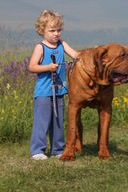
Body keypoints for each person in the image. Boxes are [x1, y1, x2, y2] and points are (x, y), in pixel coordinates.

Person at [28, 10, 78, 160]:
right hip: (43, 92)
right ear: (42, 30)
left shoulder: (62, 44)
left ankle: (57, 149)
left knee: (57, 121)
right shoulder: (40, 47)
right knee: (42, 121)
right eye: (52, 30)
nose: (56, 34)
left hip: (59, 90)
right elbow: (32, 67)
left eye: (58, 30)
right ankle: (37, 151)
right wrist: (48, 67)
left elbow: (76, 55)